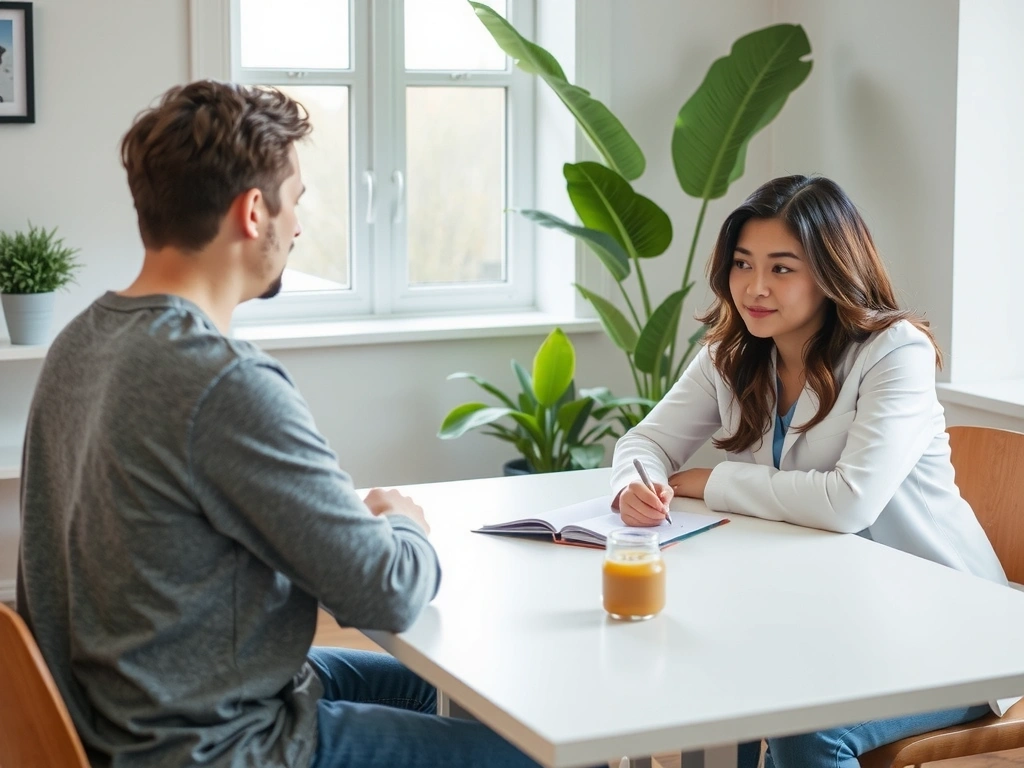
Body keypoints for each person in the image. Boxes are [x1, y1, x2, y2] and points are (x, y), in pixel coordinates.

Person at [16, 80, 561, 768]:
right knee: (558, 751)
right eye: (296, 200)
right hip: (212, 747)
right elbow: (385, 591)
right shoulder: (220, 379)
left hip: (120, 717)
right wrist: (405, 526)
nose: (299, 227)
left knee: (453, 693)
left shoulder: (79, 342)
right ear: (253, 212)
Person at [610, 175, 1014, 768]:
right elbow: (645, 441)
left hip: (949, 632)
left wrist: (709, 481)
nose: (754, 287)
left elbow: (850, 503)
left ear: (830, 272)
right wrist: (634, 485)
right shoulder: (732, 352)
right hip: (825, 619)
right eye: (743, 264)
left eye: (782, 268)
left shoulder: (895, 352)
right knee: (704, 671)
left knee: (808, 731)